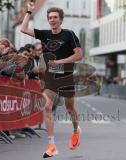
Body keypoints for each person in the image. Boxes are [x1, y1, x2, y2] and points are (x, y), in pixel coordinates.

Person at [21, 2, 83, 158]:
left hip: (66, 75)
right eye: (50, 17)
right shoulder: (44, 34)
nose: (52, 20)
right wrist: (29, 11)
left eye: (55, 17)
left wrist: (60, 62)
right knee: (47, 107)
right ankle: (51, 144)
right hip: (51, 76)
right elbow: (23, 29)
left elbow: (79, 55)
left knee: (70, 109)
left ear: (60, 20)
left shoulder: (69, 34)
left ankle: (76, 130)